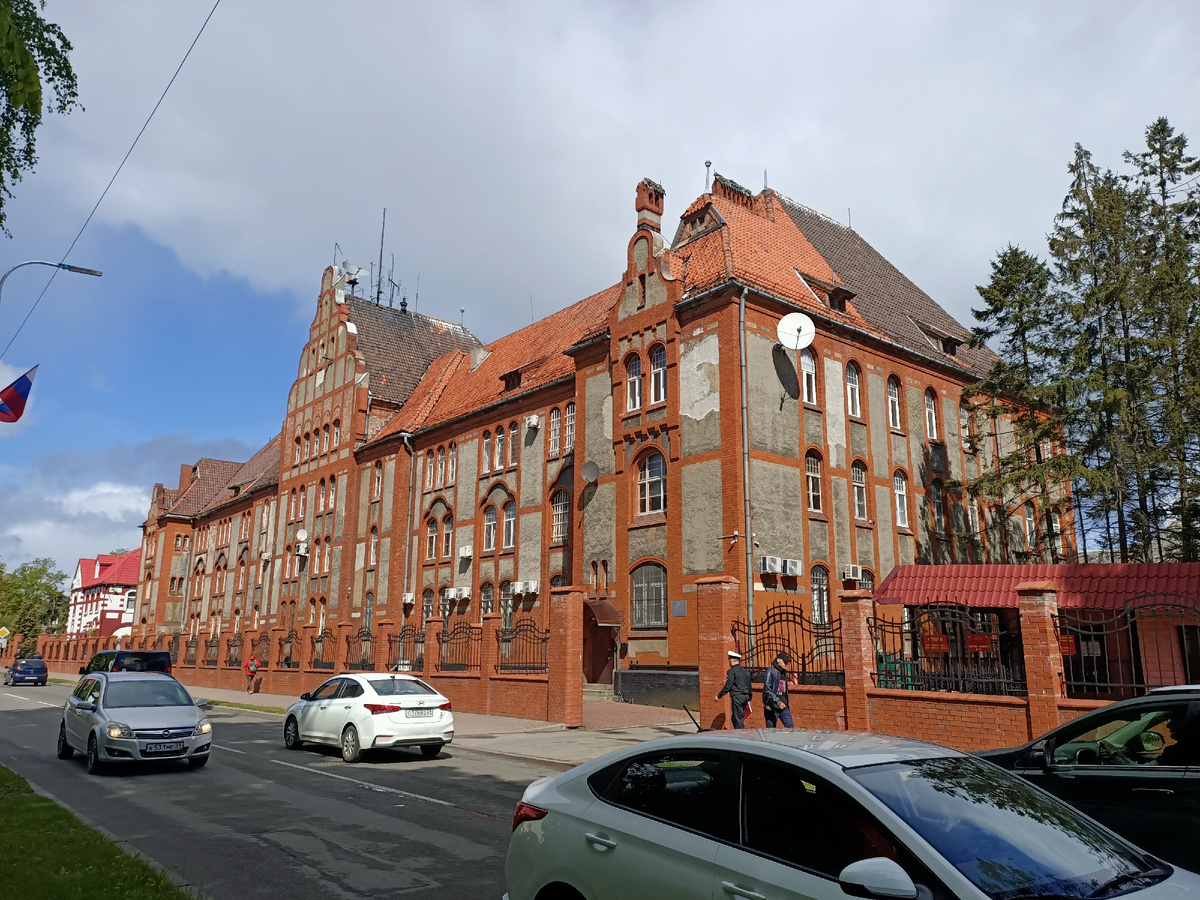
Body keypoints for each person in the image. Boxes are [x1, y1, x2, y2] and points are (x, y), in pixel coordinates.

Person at [716, 650, 752, 729]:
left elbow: (728, 685)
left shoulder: (732, 671)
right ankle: (738, 731)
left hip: (737, 697)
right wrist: (749, 698)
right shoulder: (745, 671)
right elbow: (749, 685)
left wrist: (719, 696)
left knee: (738, 719)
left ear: (731, 660)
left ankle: (741, 734)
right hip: (745, 697)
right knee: (735, 718)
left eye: (729, 660)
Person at [762, 652, 794, 728]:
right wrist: (778, 702)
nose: (786, 664)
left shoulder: (784, 673)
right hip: (772, 707)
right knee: (771, 729)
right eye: (784, 661)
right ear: (778, 660)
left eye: (787, 662)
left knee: (790, 727)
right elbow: (767, 690)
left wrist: (785, 703)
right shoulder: (770, 672)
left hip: (784, 707)